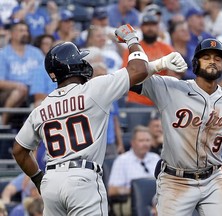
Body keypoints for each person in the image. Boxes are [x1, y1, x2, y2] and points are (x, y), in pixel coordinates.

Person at [11, 24, 187, 215]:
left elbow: (19, 150)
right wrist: (132, 40)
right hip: (82, 179)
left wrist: (38, 179)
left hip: (52, 181)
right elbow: (138, 69)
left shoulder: (42, 107)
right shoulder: (93, 89)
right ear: (75, 66)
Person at [131, 38, 222, 215]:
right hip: (175, 179)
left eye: (218, 59)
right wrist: (158, 64)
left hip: (213, 178)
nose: (212, 61)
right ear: (195, 63)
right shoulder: (171, 88)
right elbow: (130, 80)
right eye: (206, 57)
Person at [108, 125, 160, 214]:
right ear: (132, 142)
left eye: (147, 140)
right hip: (133, 202)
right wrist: (135, 190)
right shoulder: (122, 160)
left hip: (157, 201)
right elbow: (112, 190)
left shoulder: (156, 158)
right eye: (141, 140)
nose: (145, 144)